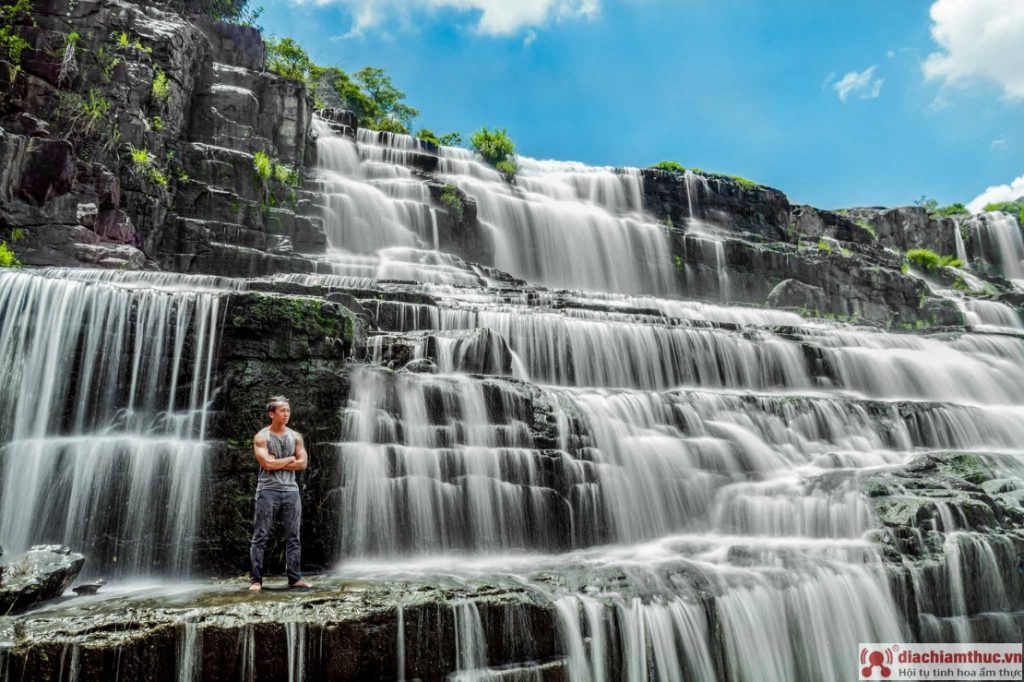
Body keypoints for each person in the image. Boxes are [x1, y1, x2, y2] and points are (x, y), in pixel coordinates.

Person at [249, 396, 313, 591]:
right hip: (267, 491)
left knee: (294, 536)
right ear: (271, 414)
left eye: (288, 410)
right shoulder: (262, 437)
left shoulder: (295, 437)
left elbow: (302, 464)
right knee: (261, 535)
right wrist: (290, 458)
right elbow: (266, 464)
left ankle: (295, 578)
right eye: (282, 410)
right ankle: (256, 580)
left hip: (291, 491)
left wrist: (278, 461)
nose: (286, 414)